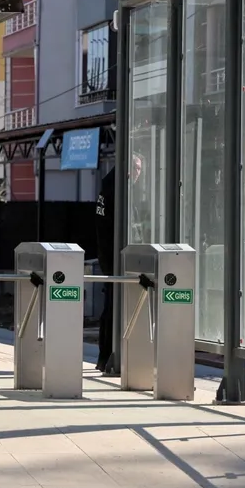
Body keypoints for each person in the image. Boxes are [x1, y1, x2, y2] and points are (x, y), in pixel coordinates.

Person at [94, 154, 142, 372]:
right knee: (115, 305)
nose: (139, 174)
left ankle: (105, 356)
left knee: (111, 304)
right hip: (116, 257)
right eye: (137, 168)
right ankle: (109, 354)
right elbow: (125, 226)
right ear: (128, 169)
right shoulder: (119, 190)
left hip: (110, 255)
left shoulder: (109, 186)